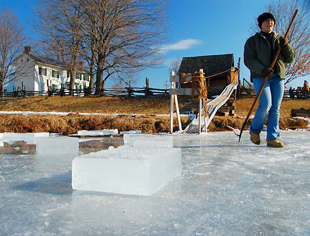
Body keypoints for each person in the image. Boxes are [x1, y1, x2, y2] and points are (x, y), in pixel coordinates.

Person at [244, 12, 295, 148]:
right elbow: (248, 60)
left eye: (272, 20)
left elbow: (290, 59)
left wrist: (287, 45)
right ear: (261, 24)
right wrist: (262, 69)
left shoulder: (280, 39)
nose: (270, 22)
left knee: (276, 107)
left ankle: (273, 137)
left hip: (278, 76)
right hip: (261, 76)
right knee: (266, 104)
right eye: (266, 20)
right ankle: (254, 130)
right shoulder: (252, 41)